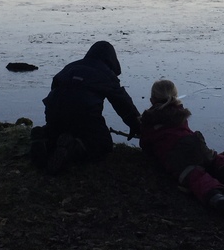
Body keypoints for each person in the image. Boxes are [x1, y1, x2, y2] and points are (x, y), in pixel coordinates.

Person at [139, 78, 224, 216]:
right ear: (175, 96)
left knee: (194, 175)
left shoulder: (149, 119)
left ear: (152, 100)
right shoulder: (179, 112)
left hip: (175, 152)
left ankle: (217, 197)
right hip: (195, 141)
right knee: (213, 158)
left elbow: (146, 143)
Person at [33, 40, 142, 174]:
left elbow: (54, 87)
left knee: (59, 131)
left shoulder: (70, 67)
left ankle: (45, 138)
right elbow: (122, 102)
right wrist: (136, 124)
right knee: (103, 144)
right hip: (84, 113)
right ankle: (73, 149)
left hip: (53, 110)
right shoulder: (106, 74)